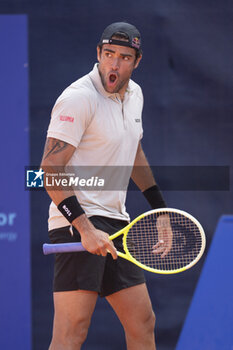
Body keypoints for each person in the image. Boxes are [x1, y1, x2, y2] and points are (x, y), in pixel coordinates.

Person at [41, 22, 170, 350]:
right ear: (98, 54)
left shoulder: (135, 94)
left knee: (143, 322)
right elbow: (50, 168)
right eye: (108, 54)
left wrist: (160, 209)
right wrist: (83, 228)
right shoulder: (78, 98)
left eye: (124, 57)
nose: (114, 64)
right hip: (77, 223)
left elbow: (134, 151)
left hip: (116, 223)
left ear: (136, 61)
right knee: (72, 334)